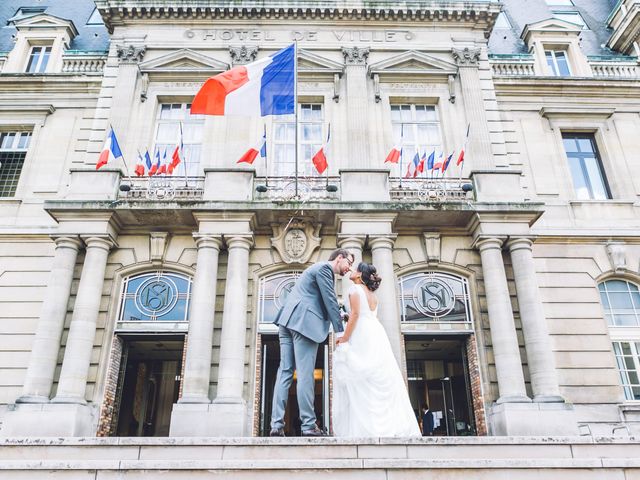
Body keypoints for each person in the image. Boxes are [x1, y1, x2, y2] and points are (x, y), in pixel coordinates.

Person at [269, 248, 354, 437]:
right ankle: (308, 425)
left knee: (285, 372)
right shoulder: (325, 269)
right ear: (339, 257)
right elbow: (329, 300)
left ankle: (276, 425)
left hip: (287, 321)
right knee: (306, 374)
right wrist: (341, 332)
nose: (349, 268)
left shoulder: (315, 269)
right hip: (303, 323)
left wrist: (341, 314)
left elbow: (319, 301)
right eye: (349, 262)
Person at [333, 262, 421, 437]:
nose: (351, 270)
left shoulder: (354, 289)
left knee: (361, 376)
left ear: (359, 275)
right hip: (376, 333)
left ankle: (367, 427)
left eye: (355, 269)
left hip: (362, 333)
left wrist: (344, 338)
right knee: (376, 375)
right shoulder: (373, 295)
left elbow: (357, 315)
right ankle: (387, 426)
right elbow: (363, 313)